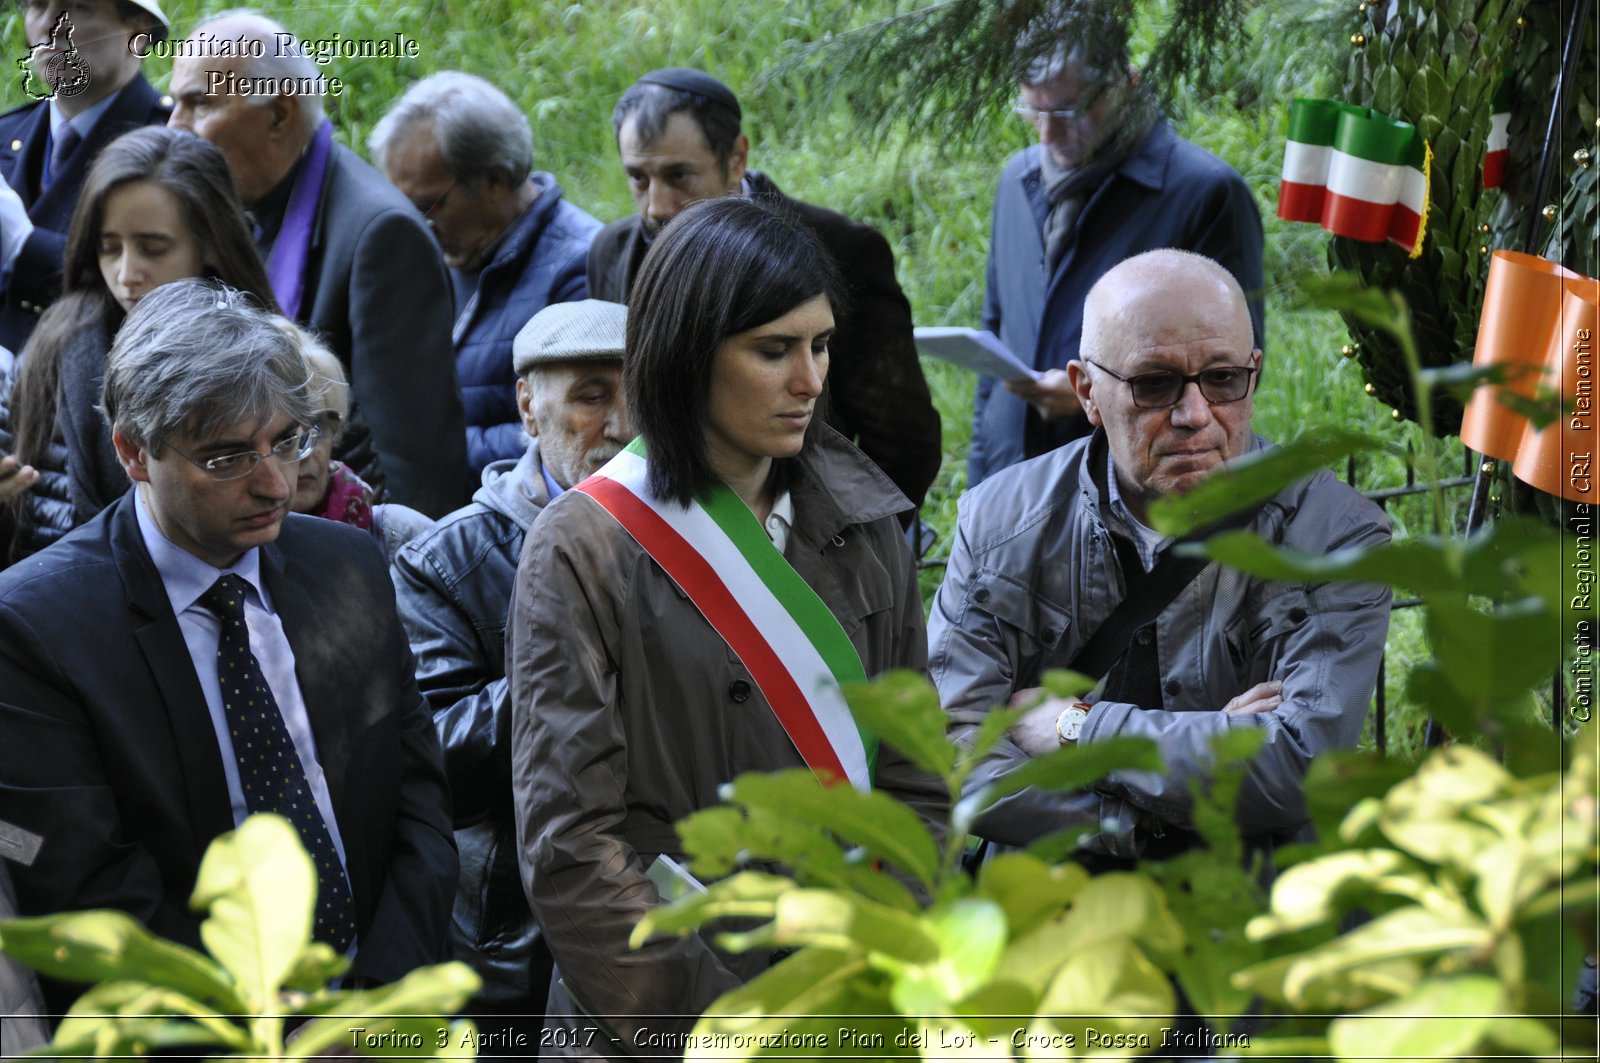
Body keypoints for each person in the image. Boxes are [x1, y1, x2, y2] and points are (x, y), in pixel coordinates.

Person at [510, 198, 944, 1052]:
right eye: (773, 349)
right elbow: (571, 842)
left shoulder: (868, 522)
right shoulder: (583, 545)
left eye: (820, 345)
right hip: (665, 1012)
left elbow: (919, 781)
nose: (812, 381)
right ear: (688, 353)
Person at [0, 279, 456, 1016]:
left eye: (288, 439)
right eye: (227, 459)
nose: (277, 482)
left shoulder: (349, 564)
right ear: (133, 452)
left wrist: (376, 1001)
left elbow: (419, 803)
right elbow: (89, 891)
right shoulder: (37, 627)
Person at [931, 250, 1390, 862]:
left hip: (1252, 911)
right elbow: (952, 745)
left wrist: (1075, 729)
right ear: (1087, 392)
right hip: (1050, 907)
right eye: (1154, 384)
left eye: (1223, 379)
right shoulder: (1001, 524)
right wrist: (1147, 813)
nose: (1195, 415)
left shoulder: (1332, 536)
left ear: (1253, 372)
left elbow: (1296, 764)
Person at [393, 298, 631, 1038]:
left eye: (644, 394)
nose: (624, 426)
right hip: (517, 943)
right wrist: (583, 661)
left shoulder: (719, 535)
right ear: (529, 406)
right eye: (592, 396)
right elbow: (436, 760)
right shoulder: (448, 562)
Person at [586, 68, 942, 516]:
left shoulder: (841, 249)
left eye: (679, 176)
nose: (656, 204)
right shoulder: (614, 253)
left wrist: (847, 548)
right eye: (638, 178)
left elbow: (903, 438)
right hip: (660, 525)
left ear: (736, 157)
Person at [167, 12, 468, 518]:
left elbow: (413, 466)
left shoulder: (380, 235)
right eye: (174, 101)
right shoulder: (231, 207)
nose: (175, 125)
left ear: (280, 114)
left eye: (200, 102)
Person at [969, 43, 1266, 487]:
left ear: (1126, 85)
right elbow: (995, 332)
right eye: (1033, 112)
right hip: (1012, 481)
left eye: (1068, 111)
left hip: (1127, 490)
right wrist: (981, 480)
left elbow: (1232, 371)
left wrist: (1096, 397)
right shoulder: (1017, 178)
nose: (1047, 134)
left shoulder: (1205, 193)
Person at [0, 125, 277, 565]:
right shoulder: (56, 343)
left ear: (209, 243)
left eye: (153, 248)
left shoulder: (274, 358)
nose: (127, 273)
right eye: (110, 248)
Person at [370, 72, 602, 477]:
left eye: (427, 205)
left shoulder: (578, 267)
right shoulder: (440, 249)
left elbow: (575, 427)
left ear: (495, 179)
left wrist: (421, 448)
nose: (415, 224)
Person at [0, 0, 172, 351]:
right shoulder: (6, 133)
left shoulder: (174, 146)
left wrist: (25, 248)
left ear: (138, 31)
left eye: (78, 7)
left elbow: (173, 295)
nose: (51, 25)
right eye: (37, 5)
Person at [288, 324, 432, 559]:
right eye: (286, 437)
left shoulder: (396, 533)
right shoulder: (232, 558)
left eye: (319, 426)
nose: (308, 452)